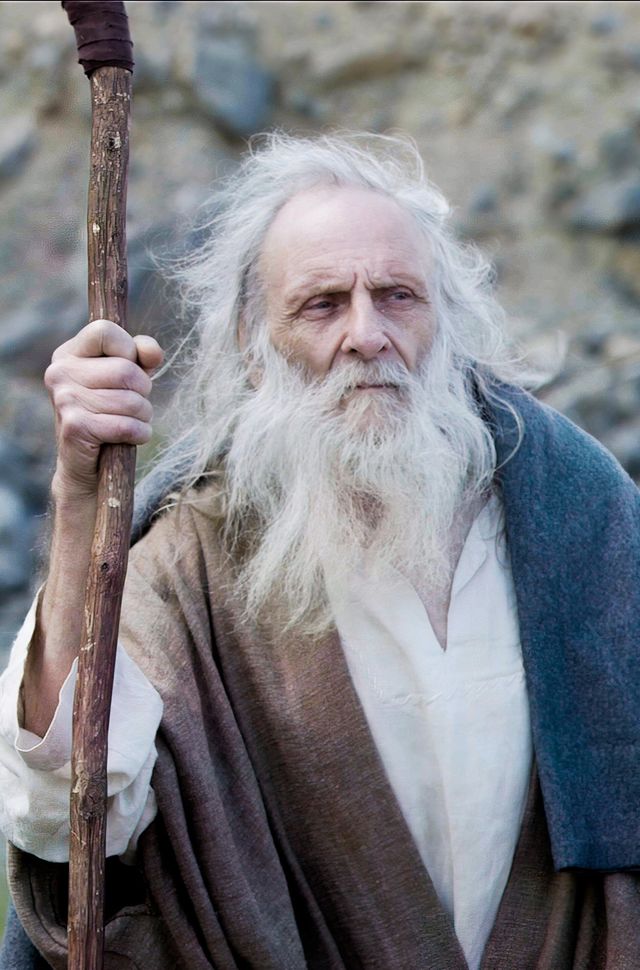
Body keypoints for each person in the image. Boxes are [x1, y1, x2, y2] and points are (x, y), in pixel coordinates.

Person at [1, 132, 639, 970]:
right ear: (252, 345)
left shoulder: (581, 516)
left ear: (446, 321)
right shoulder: (193, 559)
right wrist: (81, 498)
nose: (367, 334)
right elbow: (68, 806)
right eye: (323, 304)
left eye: (398, 296)